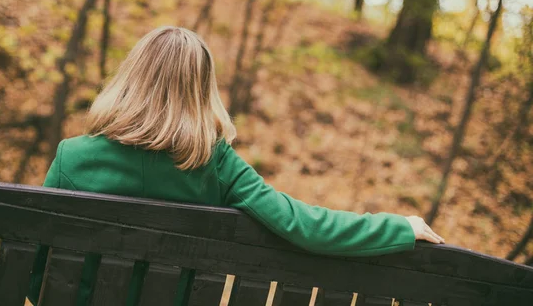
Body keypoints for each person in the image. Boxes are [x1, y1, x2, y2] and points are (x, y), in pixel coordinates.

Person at [28, 26, 444, 305]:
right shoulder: (214, 164)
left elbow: (33, 271)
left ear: (130, 77)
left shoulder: (73, 156)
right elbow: (302, 225)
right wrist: (398, 227)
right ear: (201, 90)